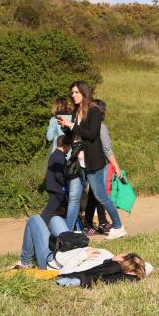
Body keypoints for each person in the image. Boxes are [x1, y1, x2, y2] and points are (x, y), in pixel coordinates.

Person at [58, 82, 127, 240]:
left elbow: (91, 134)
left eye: (76, 92)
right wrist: (65, 127)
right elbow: (75, 136)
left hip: (93, 162)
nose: (73, 95)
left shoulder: (94, 110)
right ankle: (68, 233)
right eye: (72, 93)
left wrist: (72, 125)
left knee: (100, 196)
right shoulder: (77, 111)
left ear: (84, 92)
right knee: (74, 198)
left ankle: (118, 226)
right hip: (77, 162)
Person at [12, 213, 145, 277]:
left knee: (34, 219)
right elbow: (147, 267)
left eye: (126, 256)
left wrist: (83, 255)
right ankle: (44, 239)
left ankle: (25, 261)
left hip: (51, 259)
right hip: (68, 247)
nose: (124, 253)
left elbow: (65, 272)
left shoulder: (96, 266)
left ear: (122, 261)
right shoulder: (110, 258)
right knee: (56, 219)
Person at [83, 99, 122, 235]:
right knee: (98, 195)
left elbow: (106, 149)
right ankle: (101, 223)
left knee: (96, 195)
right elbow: (106, 149)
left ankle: (94, 223)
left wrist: (115, 165)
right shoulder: (95, 126)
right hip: (95, 165)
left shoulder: (95, 127)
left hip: (96, 164)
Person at [39, 136, 69, 227]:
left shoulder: (54, 155)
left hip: (53, 186)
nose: (69, 149)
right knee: (50, 209)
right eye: (69, 147)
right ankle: (40, 225)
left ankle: (63, 224)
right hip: (57, 188)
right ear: (65, 146)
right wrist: (66, 184)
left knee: (65, 206)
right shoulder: (60, 157)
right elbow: (59, 175)